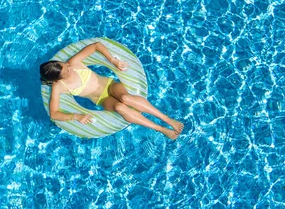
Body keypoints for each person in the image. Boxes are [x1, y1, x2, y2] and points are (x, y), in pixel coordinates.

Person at [40, 42, 184, 139]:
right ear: (57, 79)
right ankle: (160, 129)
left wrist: (112, 60)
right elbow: (54, 114)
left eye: (65, 64)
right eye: (67, 71)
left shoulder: (74, 62)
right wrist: (76, 117)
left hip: (110, 85)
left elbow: (96, 45)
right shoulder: (59, 87)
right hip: (101, 99)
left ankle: (167, 119)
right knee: (120, 107)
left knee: (126, 99)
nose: (69, 66)